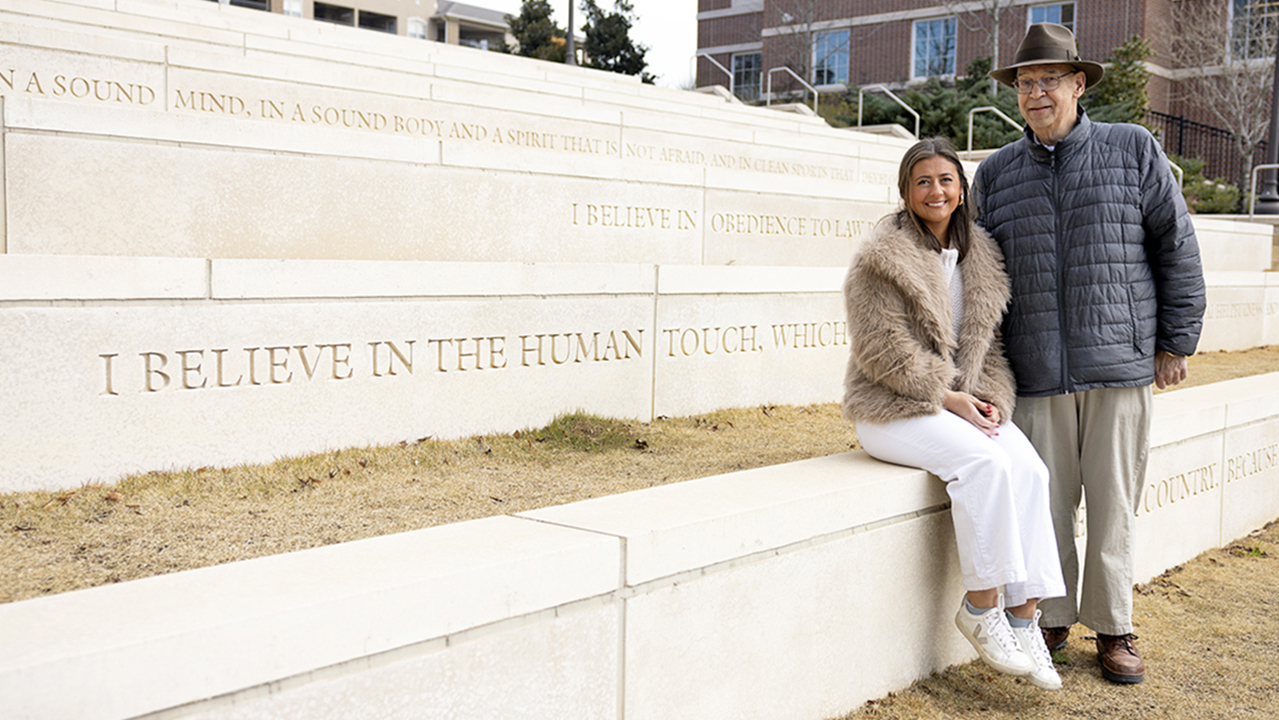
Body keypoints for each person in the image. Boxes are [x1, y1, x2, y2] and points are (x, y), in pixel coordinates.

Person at [973, 23, 1206, 685]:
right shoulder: (995, 173)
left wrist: (1174, 339)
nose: (1035, 93)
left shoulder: (1131, 148)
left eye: (1048, 80)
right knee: (1043, 507)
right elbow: (981, 281)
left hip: (1118, 364)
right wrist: (984, 371)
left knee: (1112, 506)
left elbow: (1175, 244)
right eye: (1025, 83)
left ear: (1078, 84)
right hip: (1035, 369)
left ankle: (1113, 626)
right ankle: (1048, 618)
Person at [843, 137, 1066, 691]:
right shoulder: (880, 258)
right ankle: (981, 608)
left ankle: (1024, 618)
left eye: (946, 180)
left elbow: (988, 351)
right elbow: (882, 351)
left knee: (1032, 471)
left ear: (962, 190)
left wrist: (986, 400)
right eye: (922, 181)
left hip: (960, 403)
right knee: (985, 465)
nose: (935, 191)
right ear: (905, 192)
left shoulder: (981, 255)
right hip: (891, 406)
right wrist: (950, 397)